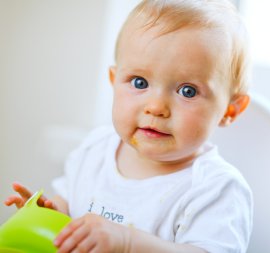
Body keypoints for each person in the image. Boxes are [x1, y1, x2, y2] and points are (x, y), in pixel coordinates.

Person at [4, 0, 253, 252]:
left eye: (187, 91)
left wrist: (127, 242)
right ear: (114, 81)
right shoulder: (95, 151)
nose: (156, 107)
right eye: (139, 82)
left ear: (230, 110)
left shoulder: (216, 189)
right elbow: (69, 202)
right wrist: (52, 215)